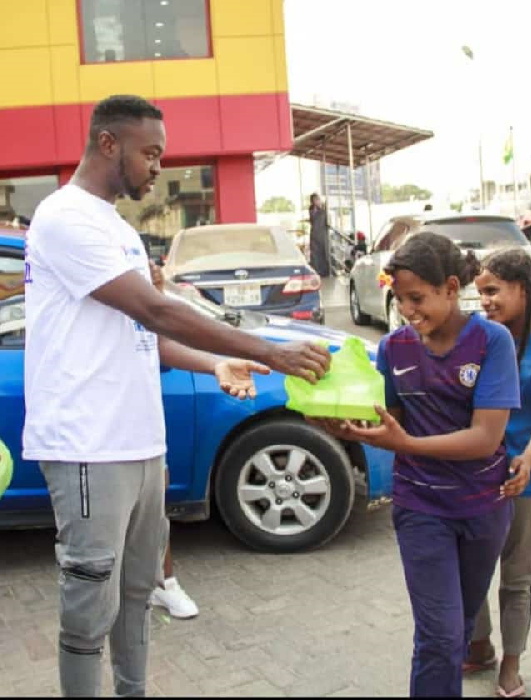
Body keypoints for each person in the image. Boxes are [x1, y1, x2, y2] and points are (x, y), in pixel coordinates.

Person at [23, 94, 330, 697]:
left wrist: (217, 362)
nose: (158, 166)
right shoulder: (63, 218)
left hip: (140, 442)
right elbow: (152, 307)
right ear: (108, 143)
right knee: (90, 602)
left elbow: (143, 333)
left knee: (138, 592)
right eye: (150, 152)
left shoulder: (116, 228)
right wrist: (268, 349)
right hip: (89, 443)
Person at [310, 232, 521, 697]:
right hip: (421, 507)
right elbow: (390, 421)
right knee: (439, 637)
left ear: (450, 287)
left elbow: (486, 439)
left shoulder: (492, 341)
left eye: (417, 298)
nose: (407, 311)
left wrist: (405, 442)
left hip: (484, 508)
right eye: (401, 300)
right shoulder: (395, 348)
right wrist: (342, 427)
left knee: (459, 628)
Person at [464, 248, 531, 698]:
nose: (485, 301)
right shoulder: (480, 338)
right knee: (471, 568)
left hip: (530, 477)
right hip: (477, 473)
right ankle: (479, 644)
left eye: (493, 291)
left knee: (518, 575)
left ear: (523, 290)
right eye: (480, 293)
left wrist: (527, 459)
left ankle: (511, 663)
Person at [147, 261, 198, 619]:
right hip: (95, 431)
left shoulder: (141, 301)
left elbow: (158, 340)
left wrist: (158, 290)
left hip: (141, 424)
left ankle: (164, 584)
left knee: (154, 503)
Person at [308, 193, 330, 277]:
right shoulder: (313, 210)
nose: (317, 201)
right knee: (316, 255)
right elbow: (313, 218)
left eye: (318, 199)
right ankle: (317, 272)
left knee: (324, 253)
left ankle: (325, 271)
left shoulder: (323, 209)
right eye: (315, 200)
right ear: (312, 201)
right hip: (316, 235)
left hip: (322, 235)